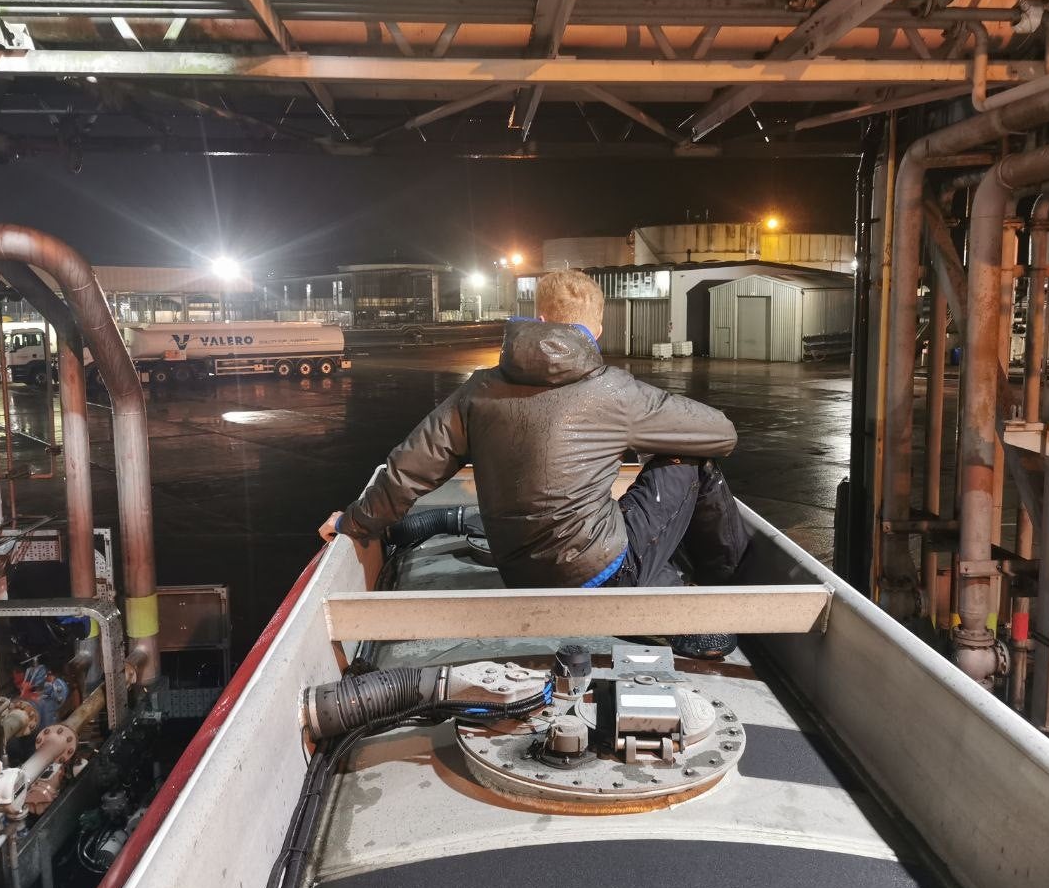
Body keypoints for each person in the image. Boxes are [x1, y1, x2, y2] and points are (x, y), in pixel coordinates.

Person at [319, 269, 750, 658]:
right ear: (597, 328)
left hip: (521, 579)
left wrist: (352, 524)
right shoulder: (614, 391)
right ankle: (722, 583)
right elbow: (722, 435)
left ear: (540, 319)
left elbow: (408, 469)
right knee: (693, 458)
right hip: (600, 577)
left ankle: (664, 594)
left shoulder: (479, 389)